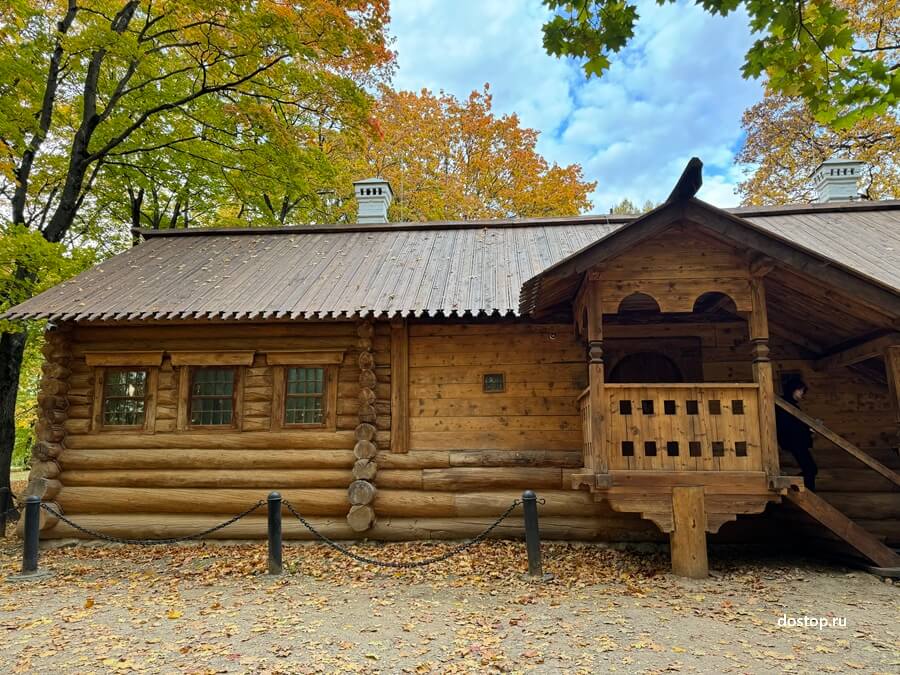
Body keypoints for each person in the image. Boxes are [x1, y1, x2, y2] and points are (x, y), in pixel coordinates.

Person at [775, 376, 817, 490]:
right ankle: (796, 489)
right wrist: (807, 429)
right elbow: (789, 426)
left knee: (810, 469)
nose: (802, 393)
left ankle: (799, 489)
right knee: (811, 469)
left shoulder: (788, 405)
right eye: (801, 390)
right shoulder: (785, 405)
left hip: (795, 441)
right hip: (794, 442)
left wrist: (808, 429)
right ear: (794, 389)